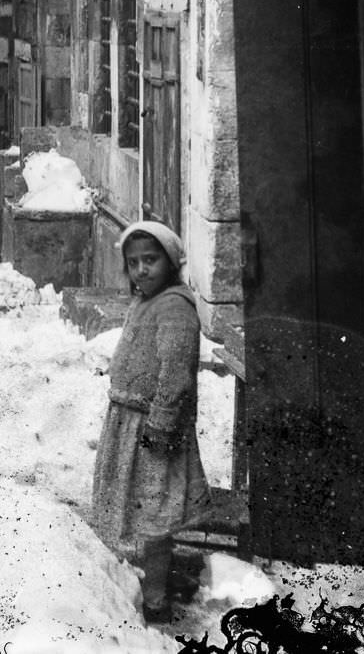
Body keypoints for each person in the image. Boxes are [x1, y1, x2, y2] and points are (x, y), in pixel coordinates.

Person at [90, 220, 212, 624]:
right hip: (128, 422)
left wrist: (159, 428)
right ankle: (131, 585)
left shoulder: (175, 306)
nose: (142, 270)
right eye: (133, 262)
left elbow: (175, 376)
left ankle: (156, 599)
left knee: (155, 519)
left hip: (152, 430)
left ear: (171, 260)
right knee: (134, 512)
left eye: (151, 260)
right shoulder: (145, 300)